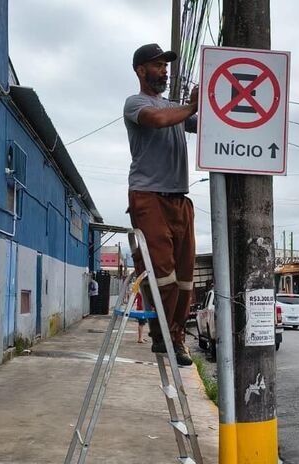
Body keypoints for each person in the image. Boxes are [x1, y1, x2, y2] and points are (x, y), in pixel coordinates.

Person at [123, 43, 199, 366]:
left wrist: (207, 102)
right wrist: (190, 108)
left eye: (166, 65)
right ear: (141, 71)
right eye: (157, 65)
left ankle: (176, 337)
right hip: (148, 196)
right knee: (162, 274)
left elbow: (202, 122)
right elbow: (156, 119)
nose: (164, 70)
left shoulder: (175, 109)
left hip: (179, 198)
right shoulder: (135, 104)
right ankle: (161, 336)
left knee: (184, 278)